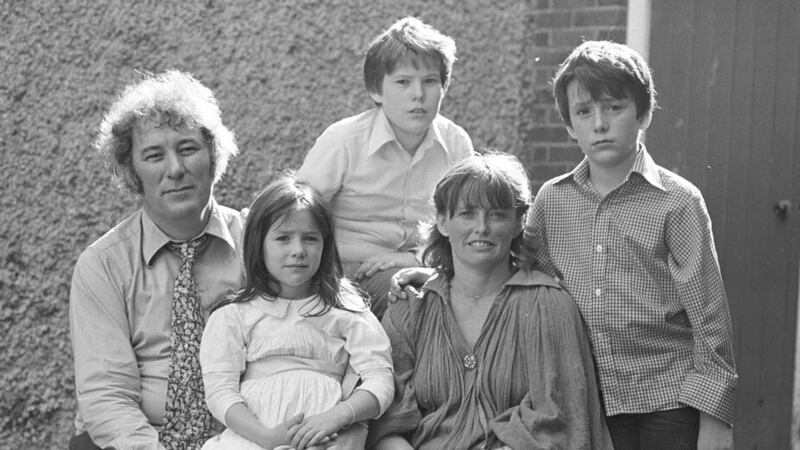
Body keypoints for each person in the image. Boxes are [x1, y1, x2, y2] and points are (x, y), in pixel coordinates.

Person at [394, 40, 738, 450]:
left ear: (643, 114)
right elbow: (512, 261)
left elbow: (710, 318)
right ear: (570, 126)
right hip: (593, 398)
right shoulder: (553, 200)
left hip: (667, 396)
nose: (600, 124)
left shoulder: (677, 201)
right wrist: (440, 274)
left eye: (614, 108)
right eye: (584, 112)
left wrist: (716, 417)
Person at [369, 153, 612, 449]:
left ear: (519, 223)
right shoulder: (411, 305)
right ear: (443, 222)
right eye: (467, 213)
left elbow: (560, 421)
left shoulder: (547, 305)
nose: (482, 227)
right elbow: (389, 421)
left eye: (496, 214)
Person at [69, 70, 248, 450]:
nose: (175, 169)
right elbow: (107, 394)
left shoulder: (258, 242)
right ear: (133, 172)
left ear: (214, 154)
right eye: (154, 155)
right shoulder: (102, 265)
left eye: (187, 148)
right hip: (135, 438)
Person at [199, 174, 394, 450]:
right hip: (252, 438)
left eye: (310, 238)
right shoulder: (233, 316)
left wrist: (337, 416)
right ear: (258, 244)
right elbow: (220, 393)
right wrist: (267, 438)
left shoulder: (347, 311)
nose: (298, 250)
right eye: (283, 238)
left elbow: (381, 379)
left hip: (326, 439)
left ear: (326, 245)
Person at [296, 16, 474, 319]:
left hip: (425, 266)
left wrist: (410, 258)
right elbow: (297, 212)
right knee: (414, 300)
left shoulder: (455, 143)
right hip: (345, 274)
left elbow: (467, 223)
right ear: (377, 90)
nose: (418, 94)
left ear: (444, 88)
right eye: (403, 82)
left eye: (430, 81)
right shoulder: (344, 140)